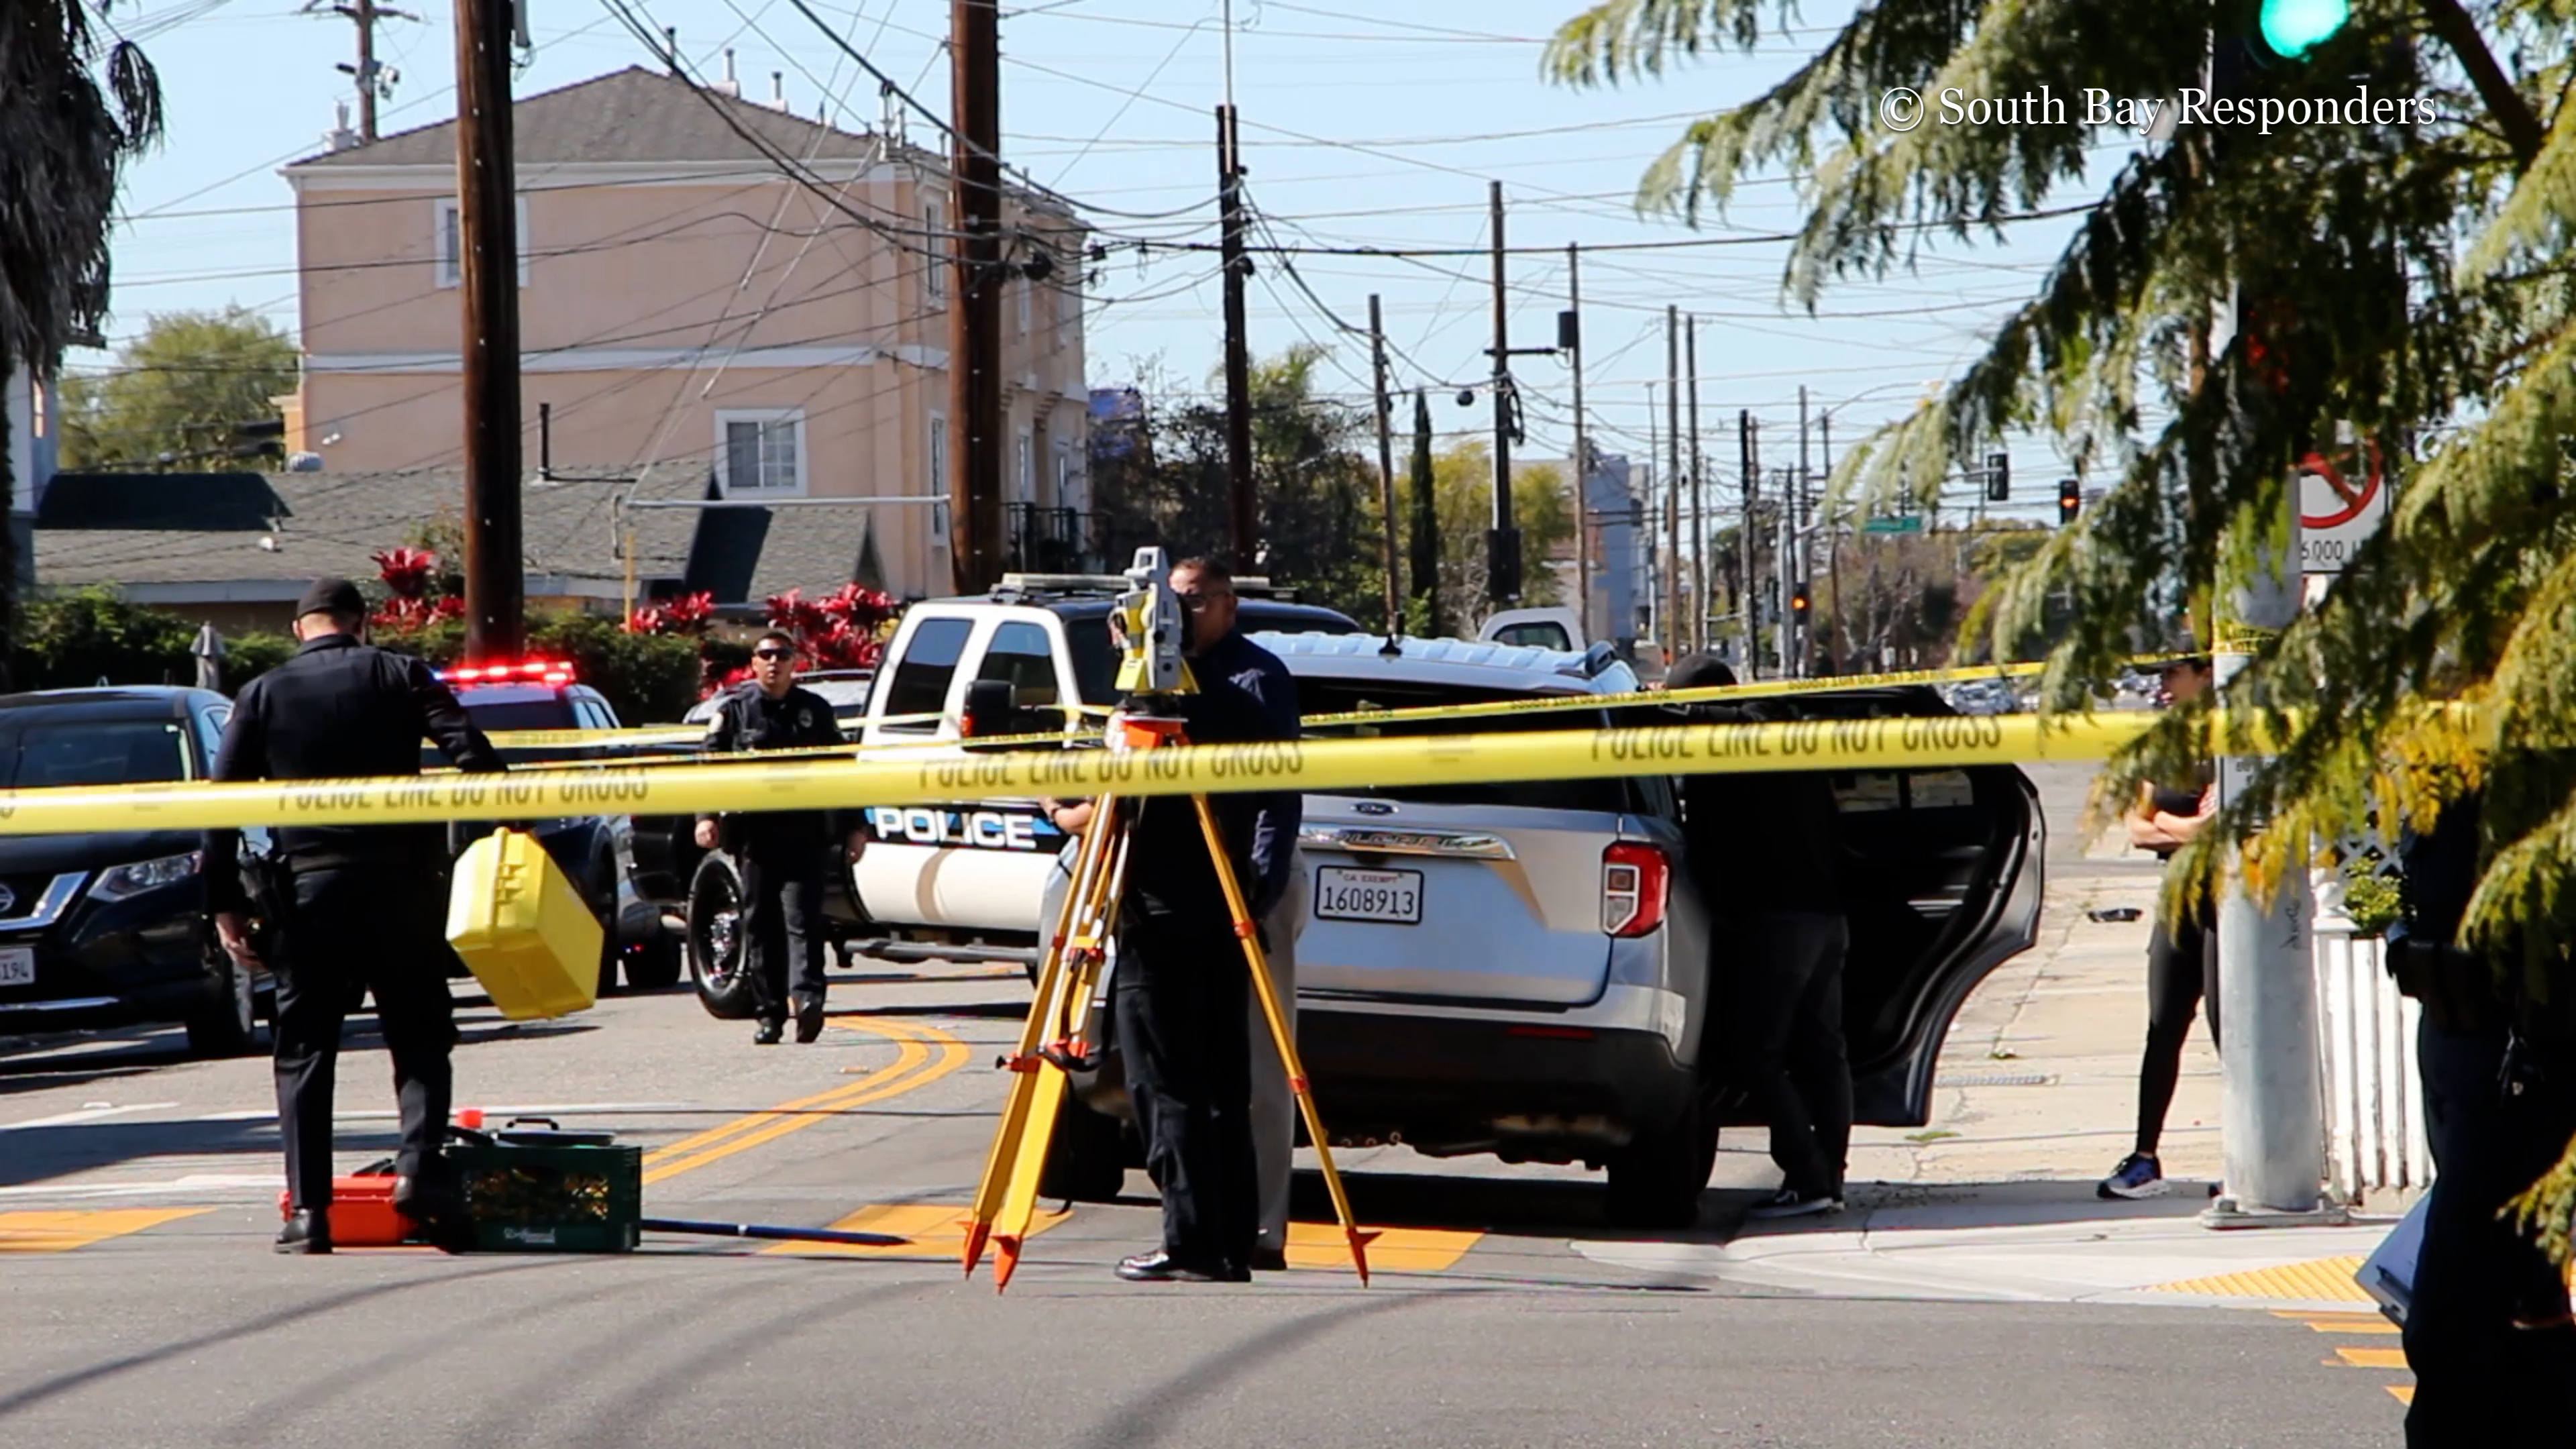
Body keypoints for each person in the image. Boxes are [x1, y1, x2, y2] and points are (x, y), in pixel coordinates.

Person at [203, 577, 506, 1254]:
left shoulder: (261, 693)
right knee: (421, 1038)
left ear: (299, 629)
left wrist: (224, 906)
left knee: (306, 1051)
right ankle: (420, 1175)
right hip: (402, 887)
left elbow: (217, 809)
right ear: (362, 624)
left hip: (309, 895)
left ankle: (310, 1212)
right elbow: (472, 754)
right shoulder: (402, 674)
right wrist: (514, 830)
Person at [1042, 556, 1307, 1275]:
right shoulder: (1187, 695)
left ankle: (1193, 1238)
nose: (1175, 619)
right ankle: (1225, 1237)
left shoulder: (1227, 692)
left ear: (1226, 604)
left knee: (1172, 1079)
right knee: (1215, 1076)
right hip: (1207, 895)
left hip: (1182, 902)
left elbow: (1130, 800)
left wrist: (1067, 809)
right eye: (1167, 607)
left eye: (1187, 604)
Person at [2390, 787, 2576, 1442]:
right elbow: (2413, 881)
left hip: (2522, 1047)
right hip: (2457, 1034)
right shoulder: (2445, 750)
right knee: (2513, 1296)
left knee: (2454, 1318)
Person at [1668, 652, 1851, 1220]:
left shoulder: (1715, 755)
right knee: (1824, 1052)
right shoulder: (1790, 738)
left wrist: (1718, 912)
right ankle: (1831, 1178)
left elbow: (1708, 846)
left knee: (1757, 1054)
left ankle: (1806, 1175)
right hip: (1827, 918)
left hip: (1774, 922)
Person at [2098, 654, 2218, 1199]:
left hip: (2231, 896)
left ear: (2206, 675)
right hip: (2179, 893)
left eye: (2173, 672)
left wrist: (2169, 824)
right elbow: (2138, 828)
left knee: (2230, 1028)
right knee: (2163, 1025)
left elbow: (2227, 824)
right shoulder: (2162, 745)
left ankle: (2250, 1155)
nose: (2162, 684)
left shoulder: (2234, 738)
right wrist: (2184, 823)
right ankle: (2145, 1156)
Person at [693, 630, 849, 1045]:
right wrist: (706, 817)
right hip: (755, 839)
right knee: (761, 926)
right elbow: (709, 767)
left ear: (795, 662)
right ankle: (770, 1013)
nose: (774, 662)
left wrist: (856, 827)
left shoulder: (815, 712)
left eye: (782, 654)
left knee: (803, 922)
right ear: (754, 663)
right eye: (766, 655)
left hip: (805, 834)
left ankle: (809, 1001)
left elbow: (844, 772)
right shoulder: (736, 713)